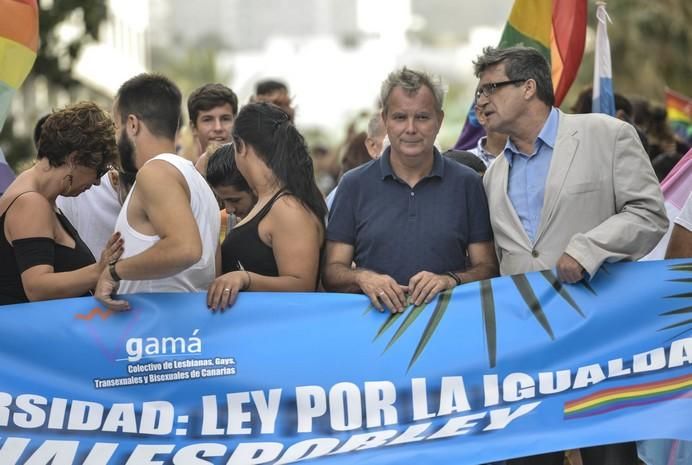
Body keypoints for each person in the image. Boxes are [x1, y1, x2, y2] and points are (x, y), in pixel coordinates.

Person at [475, 45, 667, 465]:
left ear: (529, 88)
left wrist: (588, 249)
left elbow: (649, 215)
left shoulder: (607, 134)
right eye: (478, 90)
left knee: (609, 457)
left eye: (491, 87)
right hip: (527, 354)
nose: (480, 100)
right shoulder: (492, 176)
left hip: (600, 340)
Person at [322, 67, 498, 312]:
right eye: (400, 117)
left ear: (440, 120)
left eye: (422, 117)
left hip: (447, 329)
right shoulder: (353, 185)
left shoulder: (468, 184)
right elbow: (332, 272)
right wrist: (363, 278)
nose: (411, 128)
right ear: (385, 120)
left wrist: (449, 280)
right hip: (373, 332)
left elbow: (488, 268)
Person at [95, 73, 220, 310]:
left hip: (157, 333)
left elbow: (186, 248)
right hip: (181, 333)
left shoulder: (156, 172)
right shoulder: (195, 179)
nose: (113, 135)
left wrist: (113, 272)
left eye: (115, 125)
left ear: (132, 124)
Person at [206, 102, 326, 310]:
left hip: (277, 330)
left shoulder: (287, 206)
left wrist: (246, 279)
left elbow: (301, 284)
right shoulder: (268, 201)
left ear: (240, 146)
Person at [0, 102, 122, 305]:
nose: (98, 181)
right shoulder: (31, 202)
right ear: (74, 159)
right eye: (99, 170)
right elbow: (37, 288)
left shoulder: (37, 198)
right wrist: (98, 270)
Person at [205, 143, 257, 241]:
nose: (229, 209)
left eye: (234, 200)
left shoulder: (282, 224)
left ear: (254, 188)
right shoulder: (220, 223)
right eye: (222, 201)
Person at [187, 83, 238, 173]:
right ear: (193, 128)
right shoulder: (185, 179)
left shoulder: (252, 177)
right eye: (208, 120)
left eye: (225, 119)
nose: (218, 128)